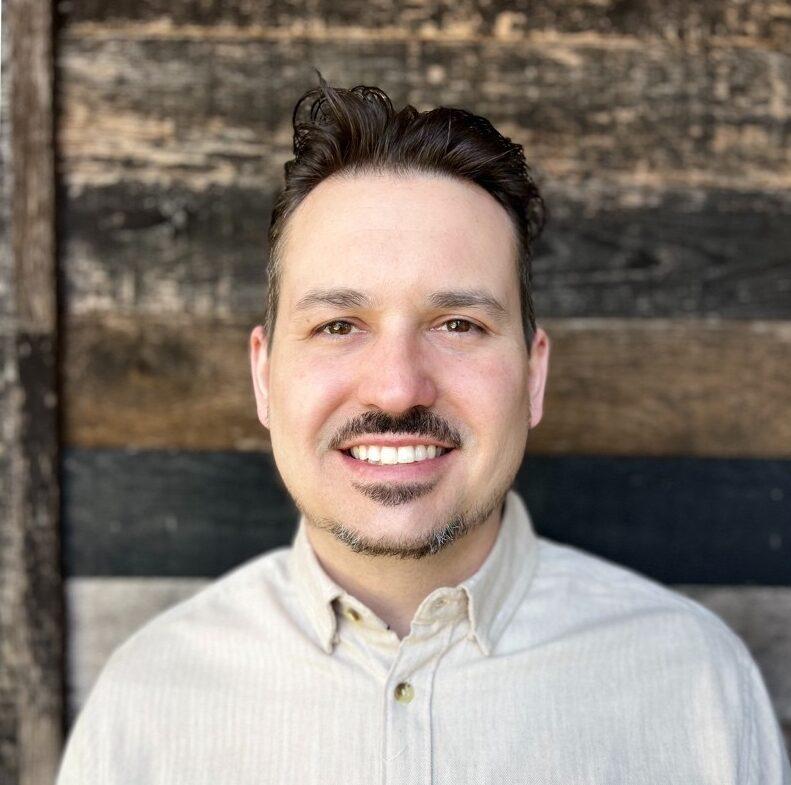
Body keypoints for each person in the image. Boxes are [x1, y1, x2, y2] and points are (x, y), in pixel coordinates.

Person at [56, 74, 790, 784]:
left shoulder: (696, 689)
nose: (398, 387)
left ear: (533, 375)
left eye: (458, 324)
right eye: (338, 324)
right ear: (263, 376)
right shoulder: (145, 710)